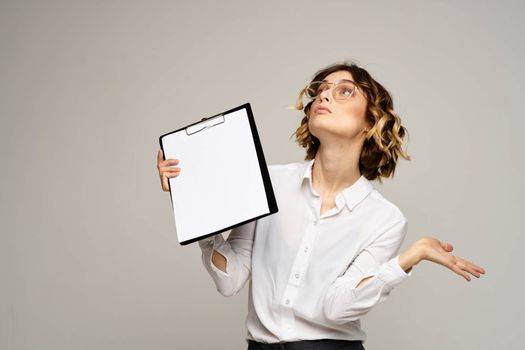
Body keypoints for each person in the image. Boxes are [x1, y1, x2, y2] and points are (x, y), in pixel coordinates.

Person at [156, 62, 486, 350]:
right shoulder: (268, 182)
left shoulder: (384, 219)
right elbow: (230, 281)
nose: (324, 96)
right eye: (321, 90)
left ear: (370, 122)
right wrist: (193, 200)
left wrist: (406, 260)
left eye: (345, 91)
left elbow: (337, 309)